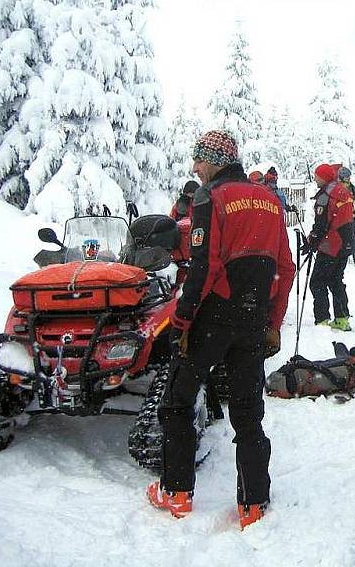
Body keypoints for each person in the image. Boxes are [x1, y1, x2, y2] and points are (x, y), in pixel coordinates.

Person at [147, 130, 295, 528]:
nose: (195, 167)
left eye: (199, 159)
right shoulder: (269, 199)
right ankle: (253, 504)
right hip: (252, 320)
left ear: (214, 160)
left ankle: (176, 492)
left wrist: (182, 319)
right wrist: (272, 321)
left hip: (213, 316)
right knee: (248, 413)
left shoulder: (209, 197)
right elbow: (286, 267)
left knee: (177, 400)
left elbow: (204, 266)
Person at [304, 163, 355, 331]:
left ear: (324, 177)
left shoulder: (326, 195)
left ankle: (322, 320)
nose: (314, 179)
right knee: (335, 280)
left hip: (331, 245)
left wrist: (312, 241)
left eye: (317, 176)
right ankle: (341, 318)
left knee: (317, 282)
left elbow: (321, 224)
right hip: (346, 242)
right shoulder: (342, 190)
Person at [337, 165, 355, 263]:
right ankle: (354, 257)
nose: (348, 178)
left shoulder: (349, 187)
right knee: (350, 237)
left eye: (349, 176)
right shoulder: (348, 187)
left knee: (350, 236)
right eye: (347, 176)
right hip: (344, 217)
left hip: (347, 217)